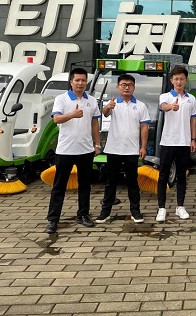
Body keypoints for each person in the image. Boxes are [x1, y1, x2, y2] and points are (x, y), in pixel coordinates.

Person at [45, 67, 101, 234]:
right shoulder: (61, 99)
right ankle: (53, 219)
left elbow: (95, 123)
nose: (80, 83)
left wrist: (97, 144)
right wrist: (72, 114)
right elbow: (56, 119)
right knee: (59, 186)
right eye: (77, 80)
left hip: (86, 149)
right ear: (71, 82)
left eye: (83, 80)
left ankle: (83, 214)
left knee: (85, 185)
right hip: (65, 149)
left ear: (87, 82)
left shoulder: (92, 100)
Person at [95, 74, 151, 224]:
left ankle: (135, 211)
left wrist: (143, 146)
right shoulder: (113, 103)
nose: (126, 87)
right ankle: (105, 212)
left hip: (132, 150)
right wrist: (108, 107)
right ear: (118, 87)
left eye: (130, 85)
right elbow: (104, 113)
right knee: (111, 182)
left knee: (132, 182)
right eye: (123, 85)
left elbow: (144, 127)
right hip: (113, 149)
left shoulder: (141, 106)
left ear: (134, 87)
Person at [156, 65, 196, 222]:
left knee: (182, 175)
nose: (179, 82)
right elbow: (163, 107)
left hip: (184, 142)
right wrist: (171, 107)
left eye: (182, 79)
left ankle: (180, 206)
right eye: (176, 79)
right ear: (171, 80)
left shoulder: (191, 99)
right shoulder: (165, 96)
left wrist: (193, 139)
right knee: (163, 175)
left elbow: (193, 119)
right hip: (168, 141)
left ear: (186, 80)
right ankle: (161, 208)